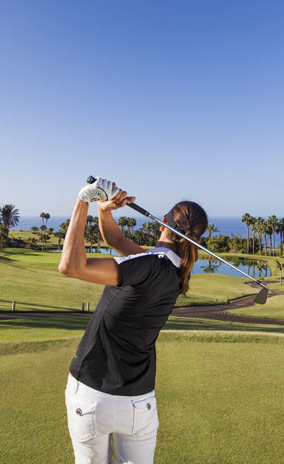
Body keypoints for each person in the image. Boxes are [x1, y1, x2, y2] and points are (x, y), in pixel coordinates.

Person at [58, 177, 207, 464]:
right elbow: (116, 241)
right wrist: (104, 209)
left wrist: (82, 201)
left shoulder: (147, 265)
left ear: (163, 223)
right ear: (194, 239)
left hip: (91, 393)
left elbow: (70, 266)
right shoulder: (175, 271)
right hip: (139, 402)